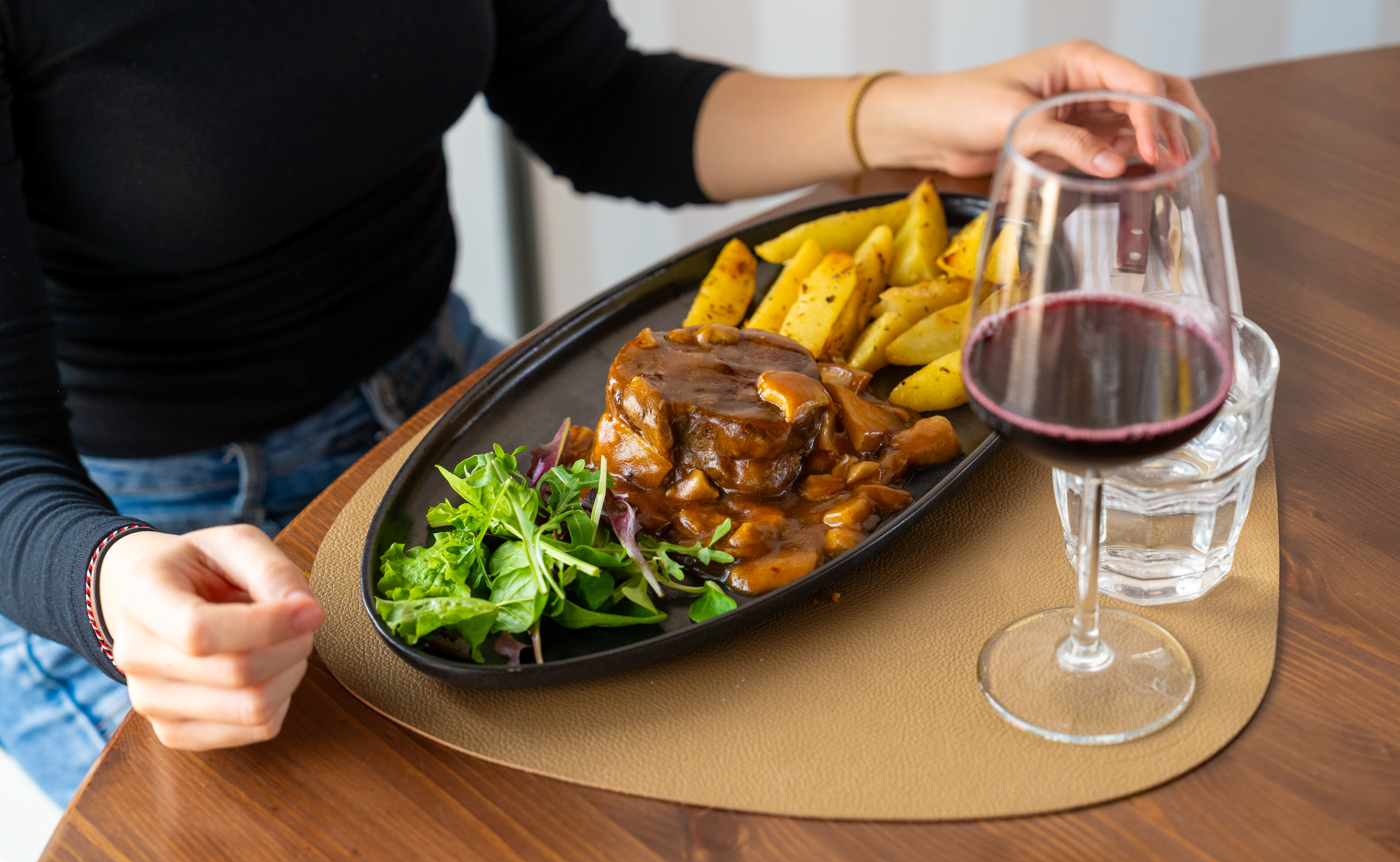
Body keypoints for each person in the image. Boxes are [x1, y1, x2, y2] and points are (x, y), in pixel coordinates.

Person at [0, 0, 1217, 805]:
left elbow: (596, 100)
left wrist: (916, 107)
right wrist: (102, 582)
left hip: (456, 405)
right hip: (132, 531)